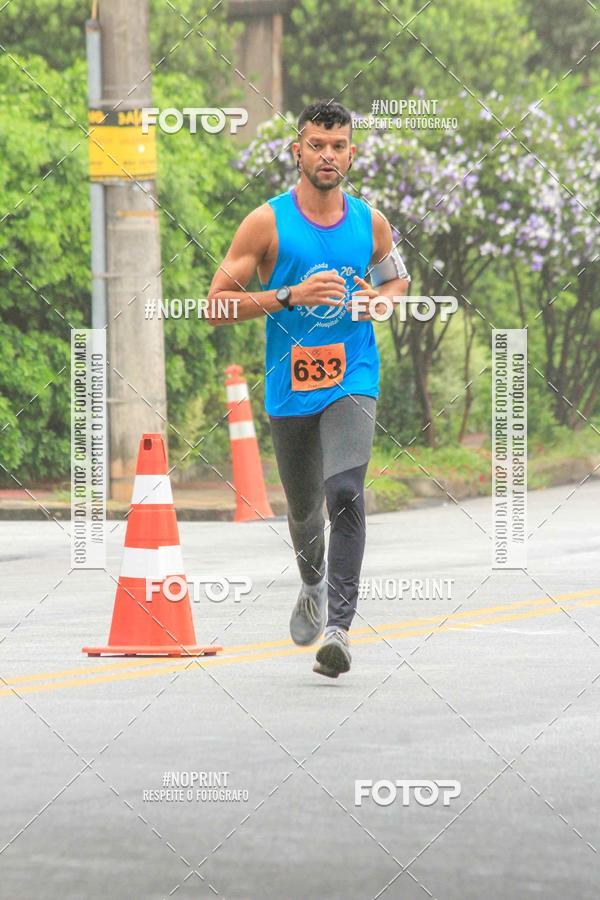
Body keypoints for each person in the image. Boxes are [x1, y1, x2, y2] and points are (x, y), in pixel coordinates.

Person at [208, 100, 410, 677]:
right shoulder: (266, 223)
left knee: (344, 490)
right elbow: (215, 305)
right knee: (302, 512)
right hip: (289, 387)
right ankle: (312, 584)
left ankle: (340, 630)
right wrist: (289, 295)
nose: (328, 155)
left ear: (352, 154)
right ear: (297, 152)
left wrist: (382, 301)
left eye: (338, 146)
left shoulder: (370, 222)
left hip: (353, 375)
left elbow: (396, 278)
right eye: (316, 145)